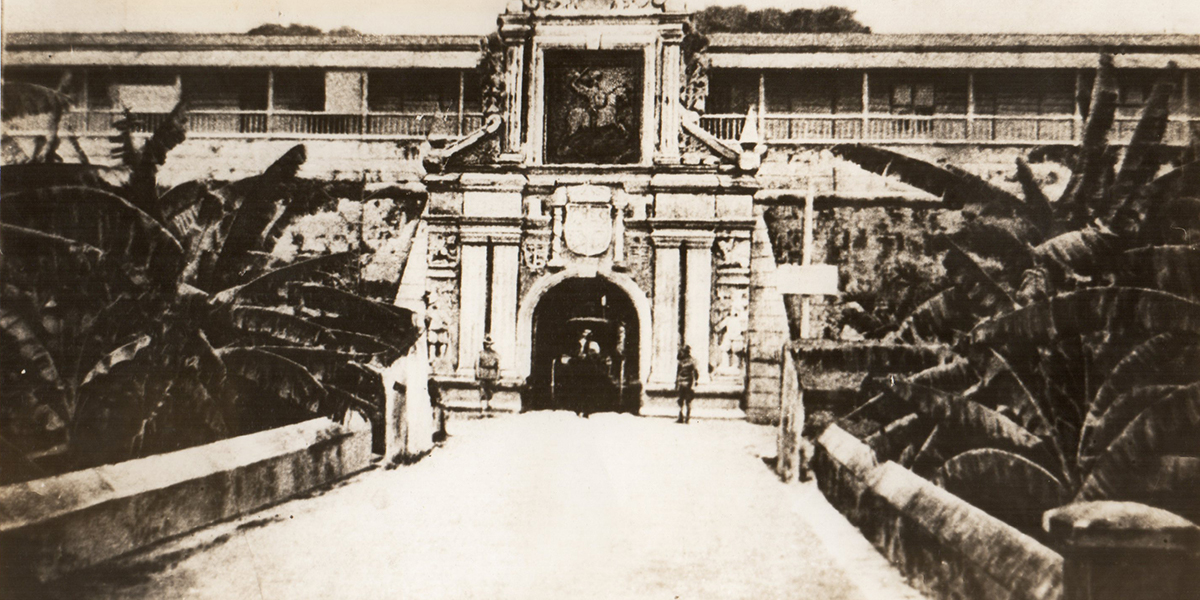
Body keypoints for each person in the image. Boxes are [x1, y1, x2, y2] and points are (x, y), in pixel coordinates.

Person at [476, 335, 500, 413]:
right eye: (486, 344)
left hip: (492, 374)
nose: (487, 345)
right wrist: (477, 373)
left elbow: (498, 365)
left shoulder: (495, 354)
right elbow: (477, 364)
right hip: (483, 373)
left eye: (489, 344)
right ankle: (483, 407)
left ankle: (489, 406)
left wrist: (498, 375)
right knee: (482, 390)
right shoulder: (480, 353)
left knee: (490, 390)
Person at [675, 345, 699, 424]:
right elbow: (695, 372)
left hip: (683, 382)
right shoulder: (692, 361)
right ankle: (686, 417)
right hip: (688, 382)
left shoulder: (681, 362)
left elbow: (678, 373)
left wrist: (676, 383)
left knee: (681, 400)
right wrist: (696, 381)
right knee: (687, 401)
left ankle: (682, 417)